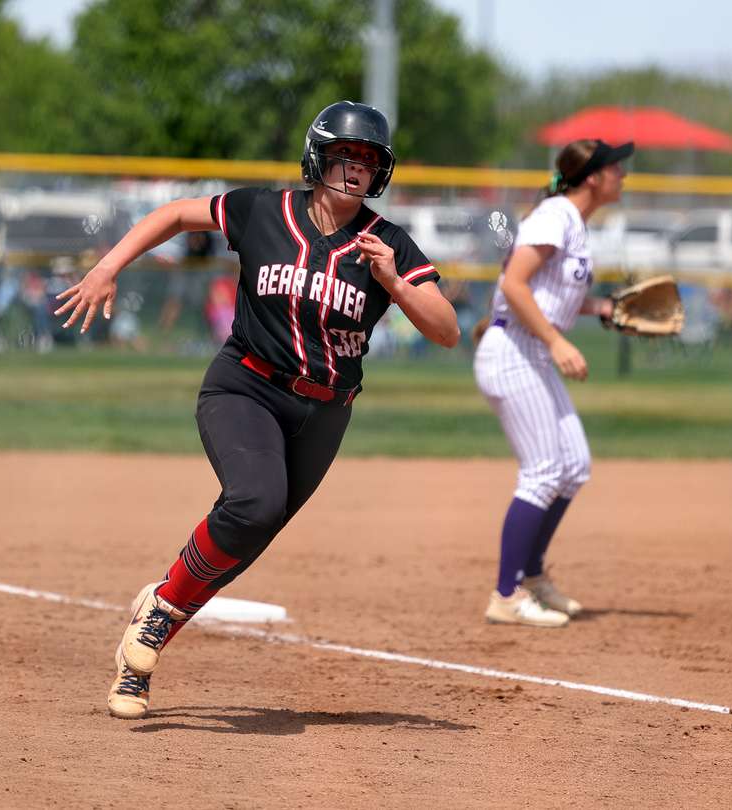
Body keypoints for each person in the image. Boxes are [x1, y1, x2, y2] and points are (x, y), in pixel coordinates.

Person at [56, 101, 459, 719]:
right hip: (245, 388)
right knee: (254, 502)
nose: (354, 169)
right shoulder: (263, 212)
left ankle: (158, 606)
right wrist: (108, 266)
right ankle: (151, 634)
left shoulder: (388, 244)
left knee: (250, 533)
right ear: (318, 157)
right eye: (345, 155)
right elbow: (174, 215)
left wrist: (399, 285)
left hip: (325, 415)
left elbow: (447, 330)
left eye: (368, 160)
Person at [472, 139, 632, 628]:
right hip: (514, 350)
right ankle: (505, 595)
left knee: (574, 466)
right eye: (615, 169)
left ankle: (534, 576)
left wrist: (599, 308)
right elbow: (514, 286)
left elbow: (546, 292)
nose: (622, 175)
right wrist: (559, 343)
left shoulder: (574, 223)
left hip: (531, 352)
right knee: (543, 471)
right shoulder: (554, 215)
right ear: (592, 178)